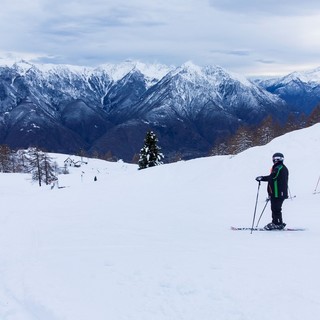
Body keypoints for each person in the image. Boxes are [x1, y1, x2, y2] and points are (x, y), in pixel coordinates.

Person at [256, 152, 289, 230]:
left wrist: (262, 178)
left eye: (276, 159)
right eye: (274, 159)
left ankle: (277, 223)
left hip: (278, 193)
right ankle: (277, 222)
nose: (275, 160)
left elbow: (273, 177)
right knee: (275, 208)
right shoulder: (279, 167)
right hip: (277, 192)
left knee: (276, 208)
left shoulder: (279, 167)